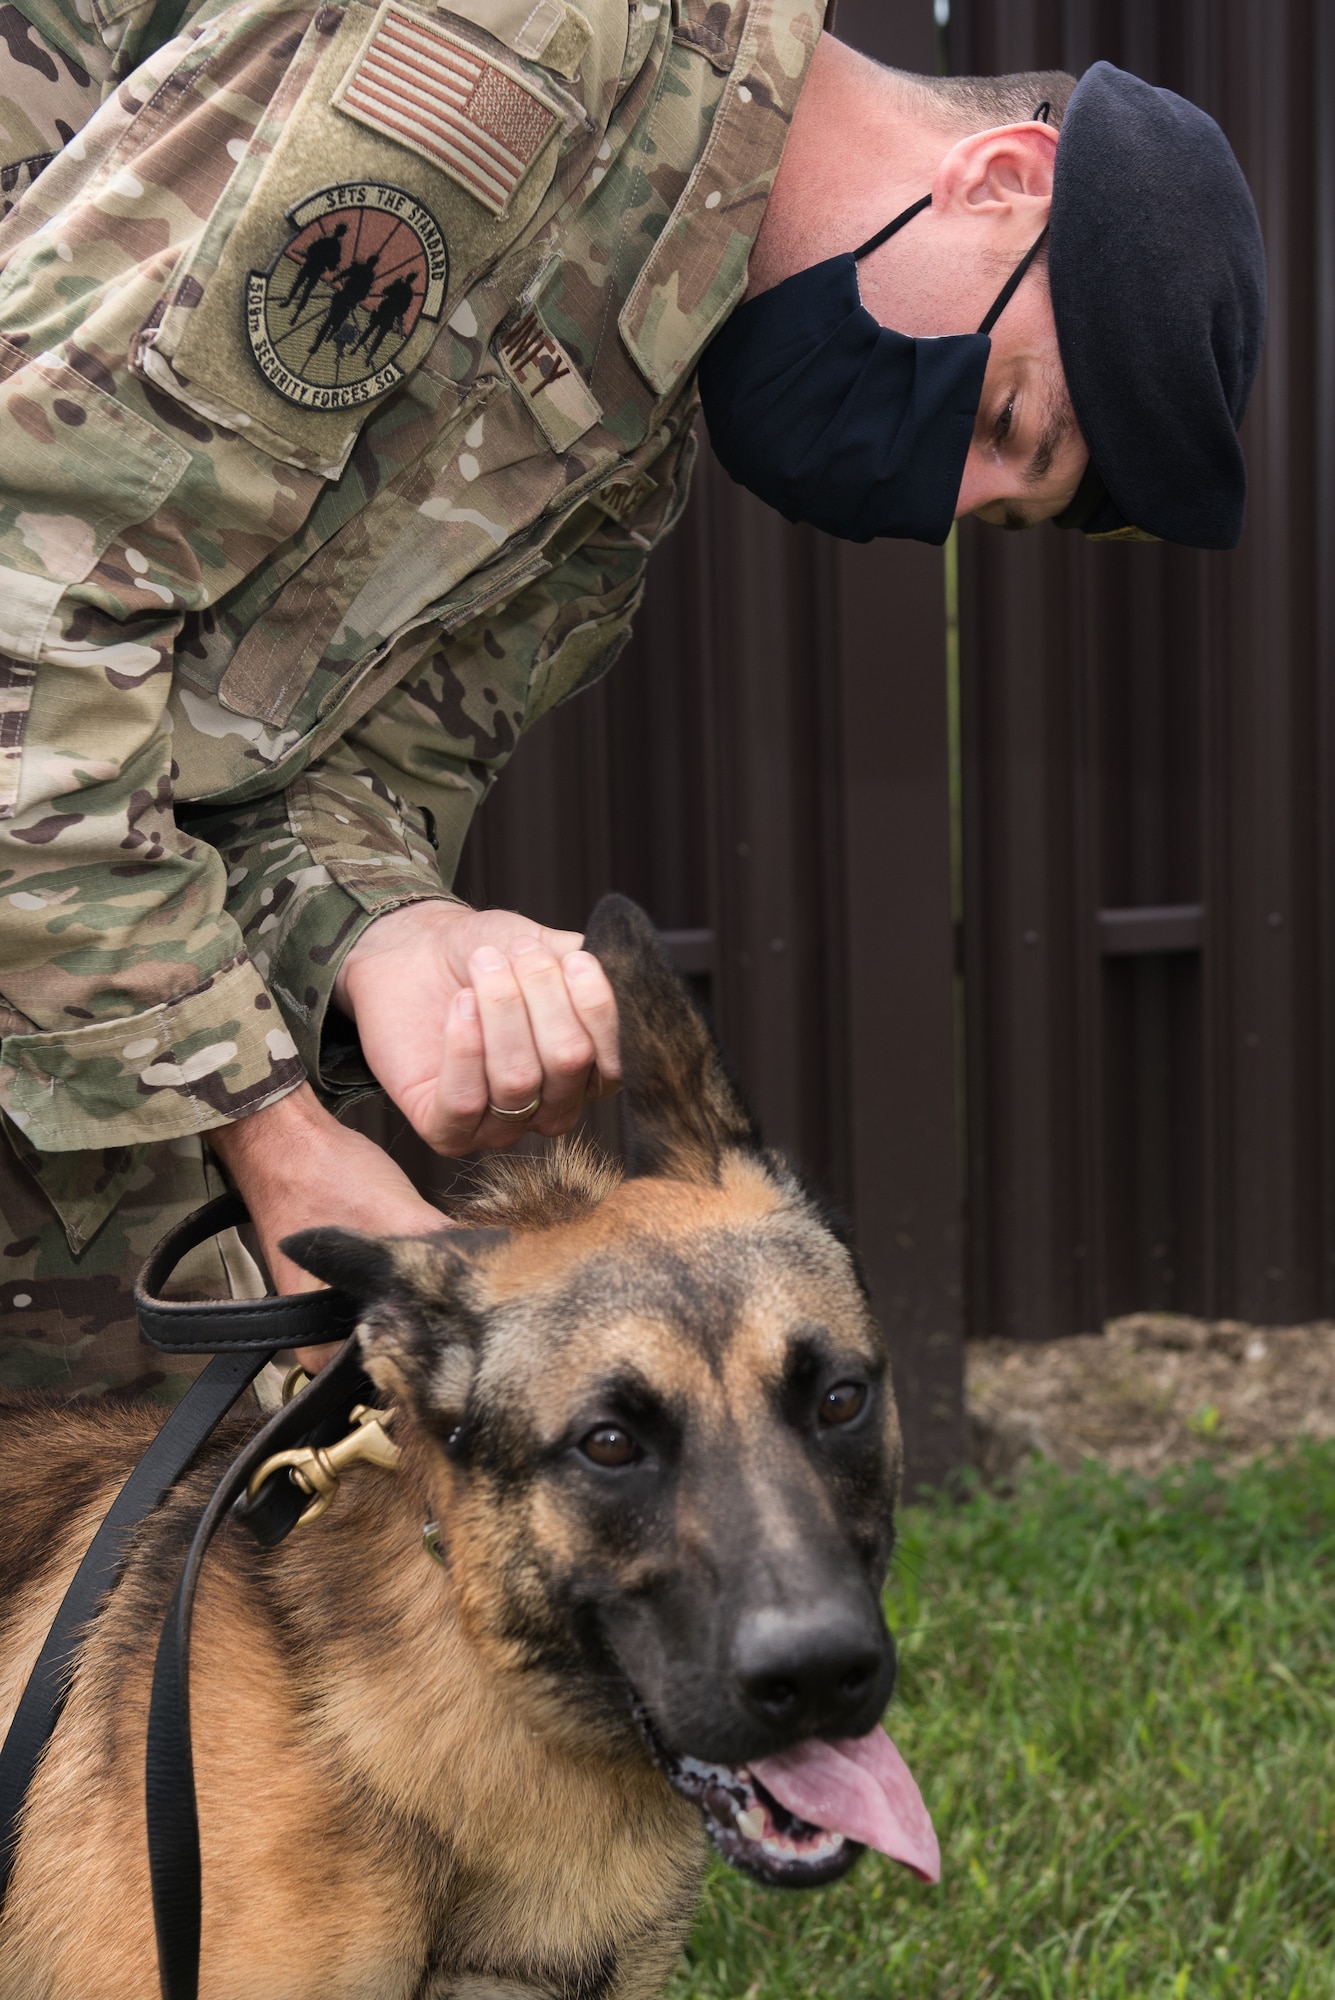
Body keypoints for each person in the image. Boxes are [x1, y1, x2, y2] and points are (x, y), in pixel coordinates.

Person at [0, 0, 1264, 1398]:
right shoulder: (530, 41)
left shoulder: (627, 465)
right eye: (1004, 420)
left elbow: (304, 773)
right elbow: (26, 577)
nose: (943, 497)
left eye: (998, 513)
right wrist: (273, 1134)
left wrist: (395, 933)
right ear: (1002, 179)